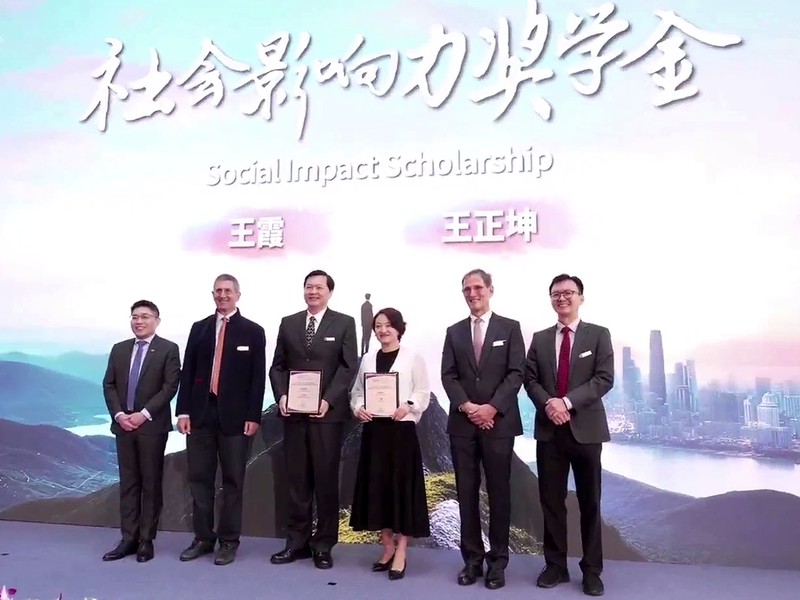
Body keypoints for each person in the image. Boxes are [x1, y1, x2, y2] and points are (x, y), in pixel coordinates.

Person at [523, 274, 614, 597]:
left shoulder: (598, 335)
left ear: (580, 297)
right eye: (556, 294)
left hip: (586, 431)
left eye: (568, 293)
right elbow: (530, 379)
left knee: (590, 502)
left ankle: (592, 570)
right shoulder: (540, 338)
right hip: (550, 432)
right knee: (551, 502)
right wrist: (550, 404)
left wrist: (567, 402)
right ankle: (555, 566)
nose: (562, 298)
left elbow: (604, 379)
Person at [441, 269, 525, 590]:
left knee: (499, 493)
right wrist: (468, 407)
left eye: (478, 287)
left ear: (490, 289)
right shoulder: (454, 332)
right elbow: (449, 375)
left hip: (498, 424)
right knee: (466, 493)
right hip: (462, 426)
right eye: (467, 289)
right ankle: (472, 561)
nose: (472, 293)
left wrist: (491, 408)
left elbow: (516, 374)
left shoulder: (510, 328)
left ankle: (497, 563)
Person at [268, 269, 358, 569]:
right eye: (309, 286)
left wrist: (328, 399)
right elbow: (277, 366)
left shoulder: (344, 323)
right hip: (294, 416)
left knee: (325, 481)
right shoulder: (289, 322)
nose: (313, 291)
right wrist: (282, 395)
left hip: (327, 416)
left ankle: (323, 545)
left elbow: (348, 367)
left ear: (330, 292)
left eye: (319, 287)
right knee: (297, 481)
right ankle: (297, 543)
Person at [175, 274, 266, 566]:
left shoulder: (253, 331)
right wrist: (183, 411)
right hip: (200, 415)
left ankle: (228, 541)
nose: (222, 295)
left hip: (236, 418)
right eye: (218, 291)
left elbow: (257, 378)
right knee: (199, 479)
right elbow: (188, 371)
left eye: (228, 291)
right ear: (212, 294)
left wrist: (253, 415)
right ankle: (203, 538)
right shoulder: (199, 328)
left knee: (233, 481)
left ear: (238, 295)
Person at [349, 307, 431, 580]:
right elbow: (357, 392)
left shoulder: (412, 358)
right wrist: (359, 407)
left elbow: (423, 391)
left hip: (401, 431)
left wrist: (408, 405)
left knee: (401, 490)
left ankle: (401, 551)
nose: (383, 330)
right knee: (378, 489)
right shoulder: (368, 359)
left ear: (399, 328)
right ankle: (387, 546)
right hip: (375, 432)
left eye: (388, 325)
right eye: (378, 326)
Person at [101, 300, 181, 563]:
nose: (139, 321)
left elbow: (170, 387)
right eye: (135, 316)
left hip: (152, 426)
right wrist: (119, 415)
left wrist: (143, 414)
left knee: (150, 483)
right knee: (129, 483)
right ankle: (128, 539)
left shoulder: (168, 349)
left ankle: (146, 540)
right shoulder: (119, 349)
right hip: (123, 425)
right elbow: (109, 384)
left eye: (145, 316)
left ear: (157, 320)